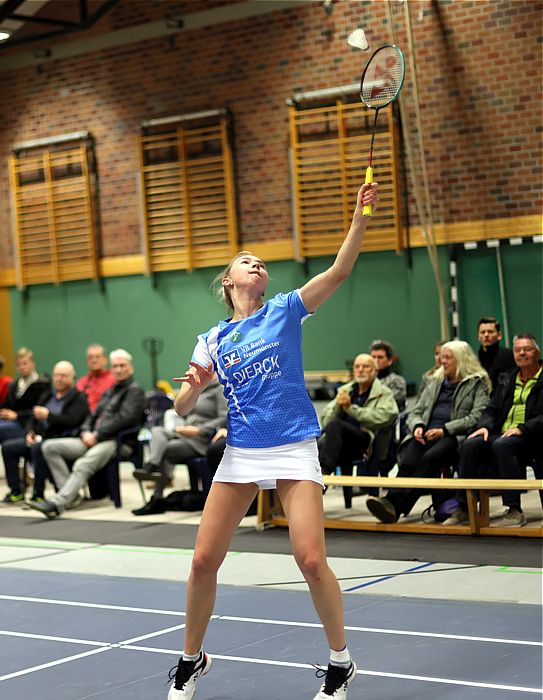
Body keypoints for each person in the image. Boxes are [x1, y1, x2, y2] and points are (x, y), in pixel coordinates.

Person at [167, 181, 378, 700]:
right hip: (241, 451)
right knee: (200, 562)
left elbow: (339, 272)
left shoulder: (284, 309)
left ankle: (341, 663)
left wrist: (360, 220)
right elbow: (181, 409)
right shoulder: (212, 339)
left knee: (309, 559)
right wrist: (192, 390)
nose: (256, 265)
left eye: (261, 261)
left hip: (293, 445)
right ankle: (192, 660)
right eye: (247, 261)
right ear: (229, 281)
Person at [366, 340, 491, 524]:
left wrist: (444, 430)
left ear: (461, 360)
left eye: (448, 357)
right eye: (441, 357)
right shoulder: (435, 381)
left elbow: (475, 416)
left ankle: (395, 505)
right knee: (409, 457)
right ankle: (391, 503)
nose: (442, 361)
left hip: (454, 437)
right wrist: (418, 426)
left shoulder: (476, 383)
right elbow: (416, 411)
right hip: (426, 432)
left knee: (430, 458)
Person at [28, 349, 145, 518]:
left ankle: (58, 503)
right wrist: (85, 432)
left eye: (122, 365)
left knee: (83, 464)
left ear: (130, 368)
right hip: (92, 438)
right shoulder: (110, 391)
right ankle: (71, 496)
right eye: (115, 366)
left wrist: (97, 435)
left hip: (116, 442)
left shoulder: (135, 391)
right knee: (49, 447)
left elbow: (124, 419)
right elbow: (92, 415)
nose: (118, 369)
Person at [444, 332, 543, 528]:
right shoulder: (507, 378)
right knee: (471, 444)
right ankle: (464, 507)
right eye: (517, 350)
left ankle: (514, 509)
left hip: (534, 436)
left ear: (538, 352)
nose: (521, 353)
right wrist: (483, 427)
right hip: (505, 434)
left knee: (502, 445)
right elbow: (492, 409)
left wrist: (523, 429)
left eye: (527, 349)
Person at [132, 377, 227, 516]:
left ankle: (156, 494)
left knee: (165, 449)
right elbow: (184, 411)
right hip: (184, 432)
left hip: (201, 439)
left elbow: (224, 417)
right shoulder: (197, 388)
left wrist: (200, 429)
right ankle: (152, 465)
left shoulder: (220, 389)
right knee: (157, 431)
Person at [1, 361, 88, 503]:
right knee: (8, 447)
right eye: (56, 375)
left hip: (59, 439)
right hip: (40, 437)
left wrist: (49, 416)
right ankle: (16, 491)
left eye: (63, 376)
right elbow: (34, 417)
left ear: (72, 377)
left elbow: (72, 420)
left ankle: (38, 494)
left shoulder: (78, 397)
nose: (59, 379)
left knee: (38, 448)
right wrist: (30, 432)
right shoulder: (47, 395)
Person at [318, 354, 398, 477]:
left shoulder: (383, 392)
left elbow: (384, 417)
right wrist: (338, 406)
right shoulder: (345, 390)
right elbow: (325, 421)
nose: (360, 370)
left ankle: (324, 474)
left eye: (365, 366)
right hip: (340, 441)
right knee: (315, 444)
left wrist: (351, 409)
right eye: (357, 366)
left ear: (375, 371)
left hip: (364, 439)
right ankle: (319, 482)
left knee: (334, 427)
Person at [0, 348, 49, 444]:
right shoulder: (14, 385)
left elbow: (39, 411)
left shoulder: (42, 385)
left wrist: (17, 415)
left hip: (28, 424)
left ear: (33, 364)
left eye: (25, 363)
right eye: (18, 365)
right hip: (10, 421)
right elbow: (6, 405)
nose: (22, 367)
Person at [477, 316, 515, 392]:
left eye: (490, 331)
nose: (486, 335)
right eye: (483, 332)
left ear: (499, 335)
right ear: (478, 336)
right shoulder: (475, 360)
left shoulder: (509, 356)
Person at [76, 344, 115, 412]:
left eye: (97, 357)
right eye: (90, 357)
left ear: (105, 359)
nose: (94, 360)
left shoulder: (114, 380)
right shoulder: (81, 383)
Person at [369, 340, 407, 410]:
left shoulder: (397, 381)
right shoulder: (365, 381)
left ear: (389, 361)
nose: (376, 361)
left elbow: (388, 403)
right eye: (373, 357)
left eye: (380, 357)